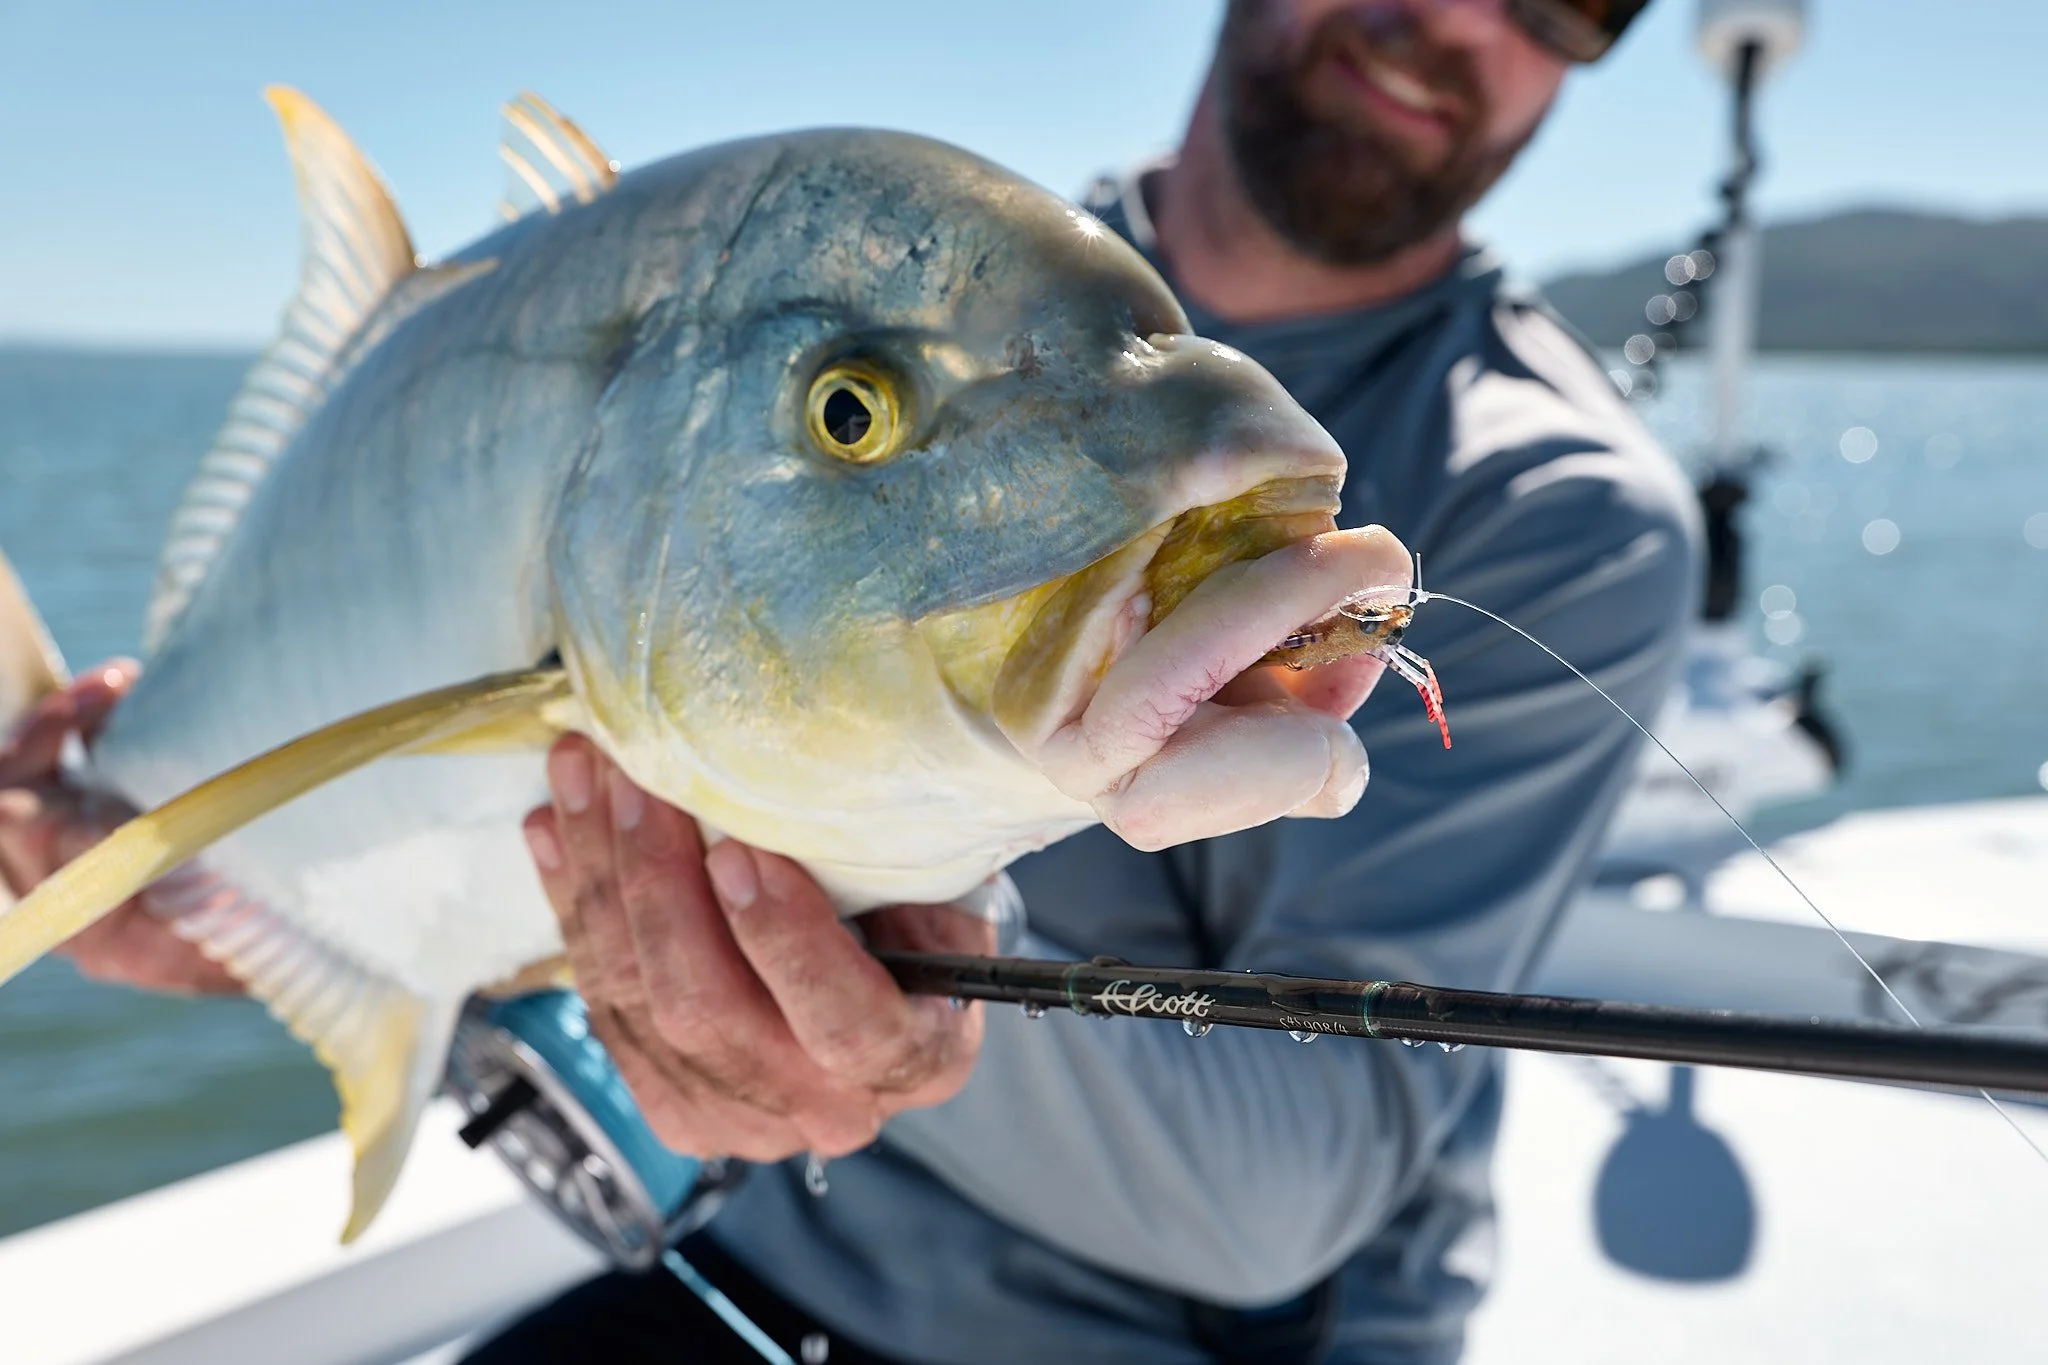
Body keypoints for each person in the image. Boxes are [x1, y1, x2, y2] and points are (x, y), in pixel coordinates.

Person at [1, 1, 1691, 1360]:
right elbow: (513, 822)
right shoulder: (921, 265)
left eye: (1571, 0)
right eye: (853, 422)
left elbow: (1278, 1207)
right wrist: (241, 904)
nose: (1452, 16)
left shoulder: (1559, 510)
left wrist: (926, 992)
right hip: (758, 1263)